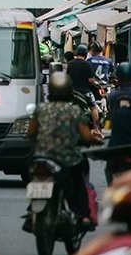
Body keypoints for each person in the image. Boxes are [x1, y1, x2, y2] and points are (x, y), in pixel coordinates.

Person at [27, 72, 102, 230]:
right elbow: (85, 136)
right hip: (68, 160)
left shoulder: (41, 109)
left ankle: (30, 214)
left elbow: (30, 133)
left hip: (42, 158)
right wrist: (93, 139)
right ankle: (82, 215)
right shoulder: (74, 111)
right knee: (80, 185)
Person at [67, 44, 101, 128]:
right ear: (85, 54)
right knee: (93, 107)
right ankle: (96, 127)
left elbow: (67, 77)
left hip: (72, 92)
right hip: (85, 92)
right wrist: (97, 84)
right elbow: (90, 80)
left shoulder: (70, 64)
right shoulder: (87, 64)